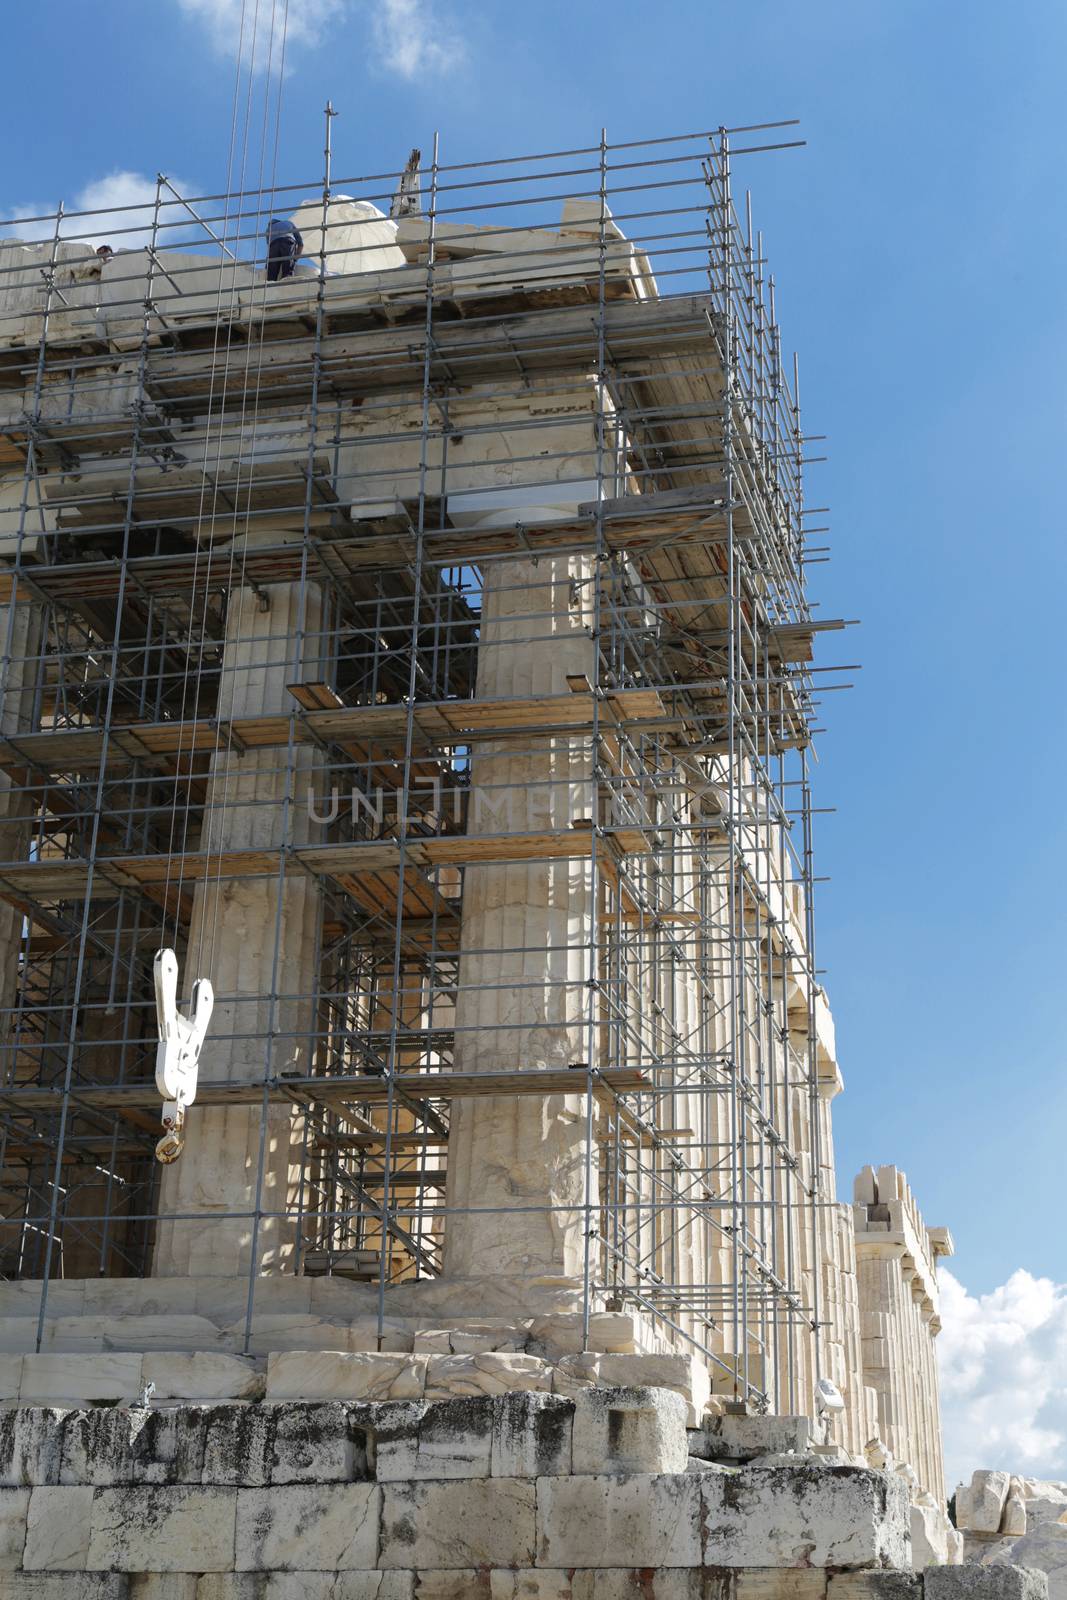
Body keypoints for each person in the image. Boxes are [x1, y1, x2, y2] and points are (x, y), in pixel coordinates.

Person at [265, 217, 303, 282]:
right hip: (287, 242)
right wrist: (295, 259)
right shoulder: (289, 223)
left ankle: (270, 282)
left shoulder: (268, 229)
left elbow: (269, 248)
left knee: (272, 271)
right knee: (288, 266)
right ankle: (287, 279)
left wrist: (267, 264)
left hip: (274, 245)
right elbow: (301, 244)